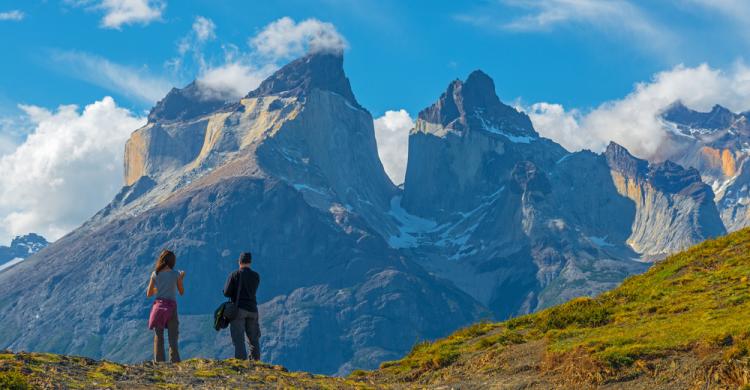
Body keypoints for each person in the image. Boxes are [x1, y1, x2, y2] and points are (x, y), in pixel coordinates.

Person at [146, 249, 185, 363]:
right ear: (172, 261)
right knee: (173, 337)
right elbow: (181, 291)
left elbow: (149, 293)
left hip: (159, 307)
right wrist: (180, 278)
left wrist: (160, 287)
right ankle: (175, 361)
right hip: (171, 307)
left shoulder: (155, 274)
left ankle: (159, 362)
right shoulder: (175, 274)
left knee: (159, 336)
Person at [223, 252, 261, 360]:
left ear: (239, 262)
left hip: (239, 310)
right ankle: (255, 362)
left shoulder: (234, 275)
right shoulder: (256, 276)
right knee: (254, 339)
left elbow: (226, 293)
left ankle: (241, 363)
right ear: (250, 262)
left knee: (239, 338)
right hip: (253, 310)